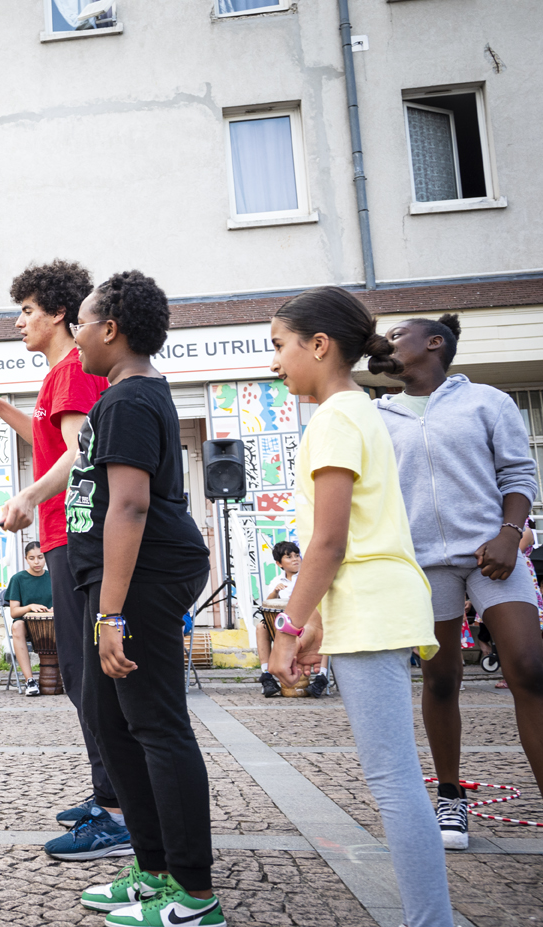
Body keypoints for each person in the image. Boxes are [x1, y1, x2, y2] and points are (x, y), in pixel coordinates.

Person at [268, 286, 452, 926]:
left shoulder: (338, 417)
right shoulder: (356, 411)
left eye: (279, 347)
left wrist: (289, 627)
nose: (274, 363)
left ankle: (432, 921)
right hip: (373, 606)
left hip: (373, 610)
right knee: (396, 780)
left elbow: (330, 539)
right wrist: (315, 619)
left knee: (395, 783)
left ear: (319, 346)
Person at [58, 271, 222, 926]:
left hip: (145, 576)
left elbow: (128, 504)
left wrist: (110, 613)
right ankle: (151, 867)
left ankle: (192, 889)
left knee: (156, 724)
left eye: (82, 321)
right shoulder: (122, 396)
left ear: (109, 329)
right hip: (122, 577)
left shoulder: (127, 401)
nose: (73, 334)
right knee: (107, 717)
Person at [0, 260, 123, 853]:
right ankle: (109, 792)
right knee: (83, 680)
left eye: (27, 311)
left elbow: (81, 454)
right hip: (64, 538)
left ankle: (117, 808)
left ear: (58, 313)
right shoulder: (61, 375)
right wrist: (4, 409)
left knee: (88, 681)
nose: (18, 322)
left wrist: (29, 494)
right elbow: (54, 439)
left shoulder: (73, 371)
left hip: (73, 536)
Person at [376, 312, 542, 850]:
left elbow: (518, 475)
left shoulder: (487, 401)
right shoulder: (378, 416)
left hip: (492, 555)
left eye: (398, 333)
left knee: (530, 667)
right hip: (424, 565)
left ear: (434, 343)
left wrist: (509, 532)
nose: (388, 340)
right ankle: (451, 797)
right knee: (442, 678)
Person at [255, 542, 328, 699]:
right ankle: (266, 675)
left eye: (297, 555)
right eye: (289, 557)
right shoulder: (276, 581)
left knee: (326, 629)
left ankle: (322, 676)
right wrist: (275, 591)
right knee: (261, 627)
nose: (295, 559)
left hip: (309, 624)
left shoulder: (307, 578)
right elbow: (268, 604)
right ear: (279, 563)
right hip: (283, 628)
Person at [4, 541, 52, 696]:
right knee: (16, 626)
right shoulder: (18, 579)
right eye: (32, 558)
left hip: (52, 626)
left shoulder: (54, 577)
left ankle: (71, 676)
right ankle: (30, 680)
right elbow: (14, 612)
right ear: (26, 558)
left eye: (40, 557)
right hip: (27, 627)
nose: (37, 562)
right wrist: (30, 606)